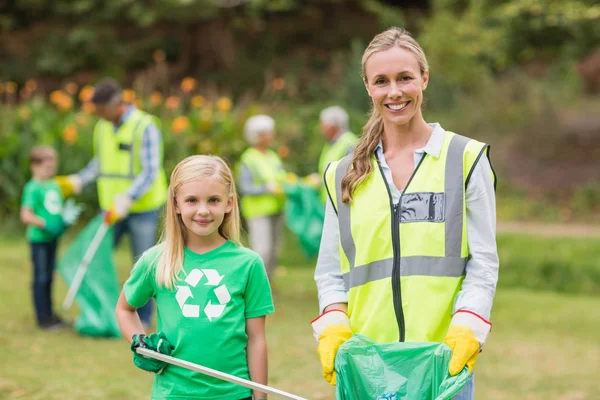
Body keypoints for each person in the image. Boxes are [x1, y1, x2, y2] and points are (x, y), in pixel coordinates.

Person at [311, 27, 499, 400]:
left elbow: (484, 262)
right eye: (381, 81)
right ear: (368, 87)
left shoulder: (465, 159)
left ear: (424, 79)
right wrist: (333, 324)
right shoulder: (341, 173)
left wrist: (467, 327)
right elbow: (331, 270)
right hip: (368, 367)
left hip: (442, 363)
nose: (394, 91)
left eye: (405, 78)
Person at [115, 155, 274, 400]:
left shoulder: (248, 264)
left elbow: (256, 339)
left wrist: (260, 396)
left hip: (233, 393)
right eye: (191, 200)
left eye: (213, 200)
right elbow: (125, 309)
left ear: (229, 203)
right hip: (174, 393)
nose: (203, 210)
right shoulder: (156, 260)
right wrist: (141, 343)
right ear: (176, 204)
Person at [55, 78, 168, 327]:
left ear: (116, 104)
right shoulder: (102, 127)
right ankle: (100, 310)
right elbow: (100, 163)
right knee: (94, 257)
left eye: (101, 110)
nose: (98, 115)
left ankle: (144, 318)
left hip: (142, 209)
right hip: (111, 210)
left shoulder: (145, 126)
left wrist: (129, 197)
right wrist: (79, 180)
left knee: (143, 265)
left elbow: (150, 171)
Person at [20, 146, 82, 330]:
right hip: (39, 240)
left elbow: (55, 208)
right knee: (41, 278)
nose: (50, 171)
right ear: (34, 166)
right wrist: (44, 224)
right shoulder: (32, 188)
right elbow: (25, 215)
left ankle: (50, 315)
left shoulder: (53, 185)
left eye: (52, 167)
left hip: (52, 240)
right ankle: (42, 318)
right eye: (46, 167)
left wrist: (63, 220)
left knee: (50, 277)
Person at [237, 114, 287, 280]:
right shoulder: (248, 158)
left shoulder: (273, 156)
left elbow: (281, 178)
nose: (271, 135)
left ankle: (268, 285)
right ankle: (255, 286)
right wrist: (266, 189)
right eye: (268, 132)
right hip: (258, 212)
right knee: (262, 251)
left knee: (274, 251)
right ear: (257, 135)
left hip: (277, 209)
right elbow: (245, 187)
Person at [313, 106, 359, 202]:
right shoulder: (331, 144)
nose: (321, 128)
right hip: (331, 203)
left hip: (342, 204)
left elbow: (352, 176)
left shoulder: (349, 143)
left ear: (333, 126)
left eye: (323, 124)